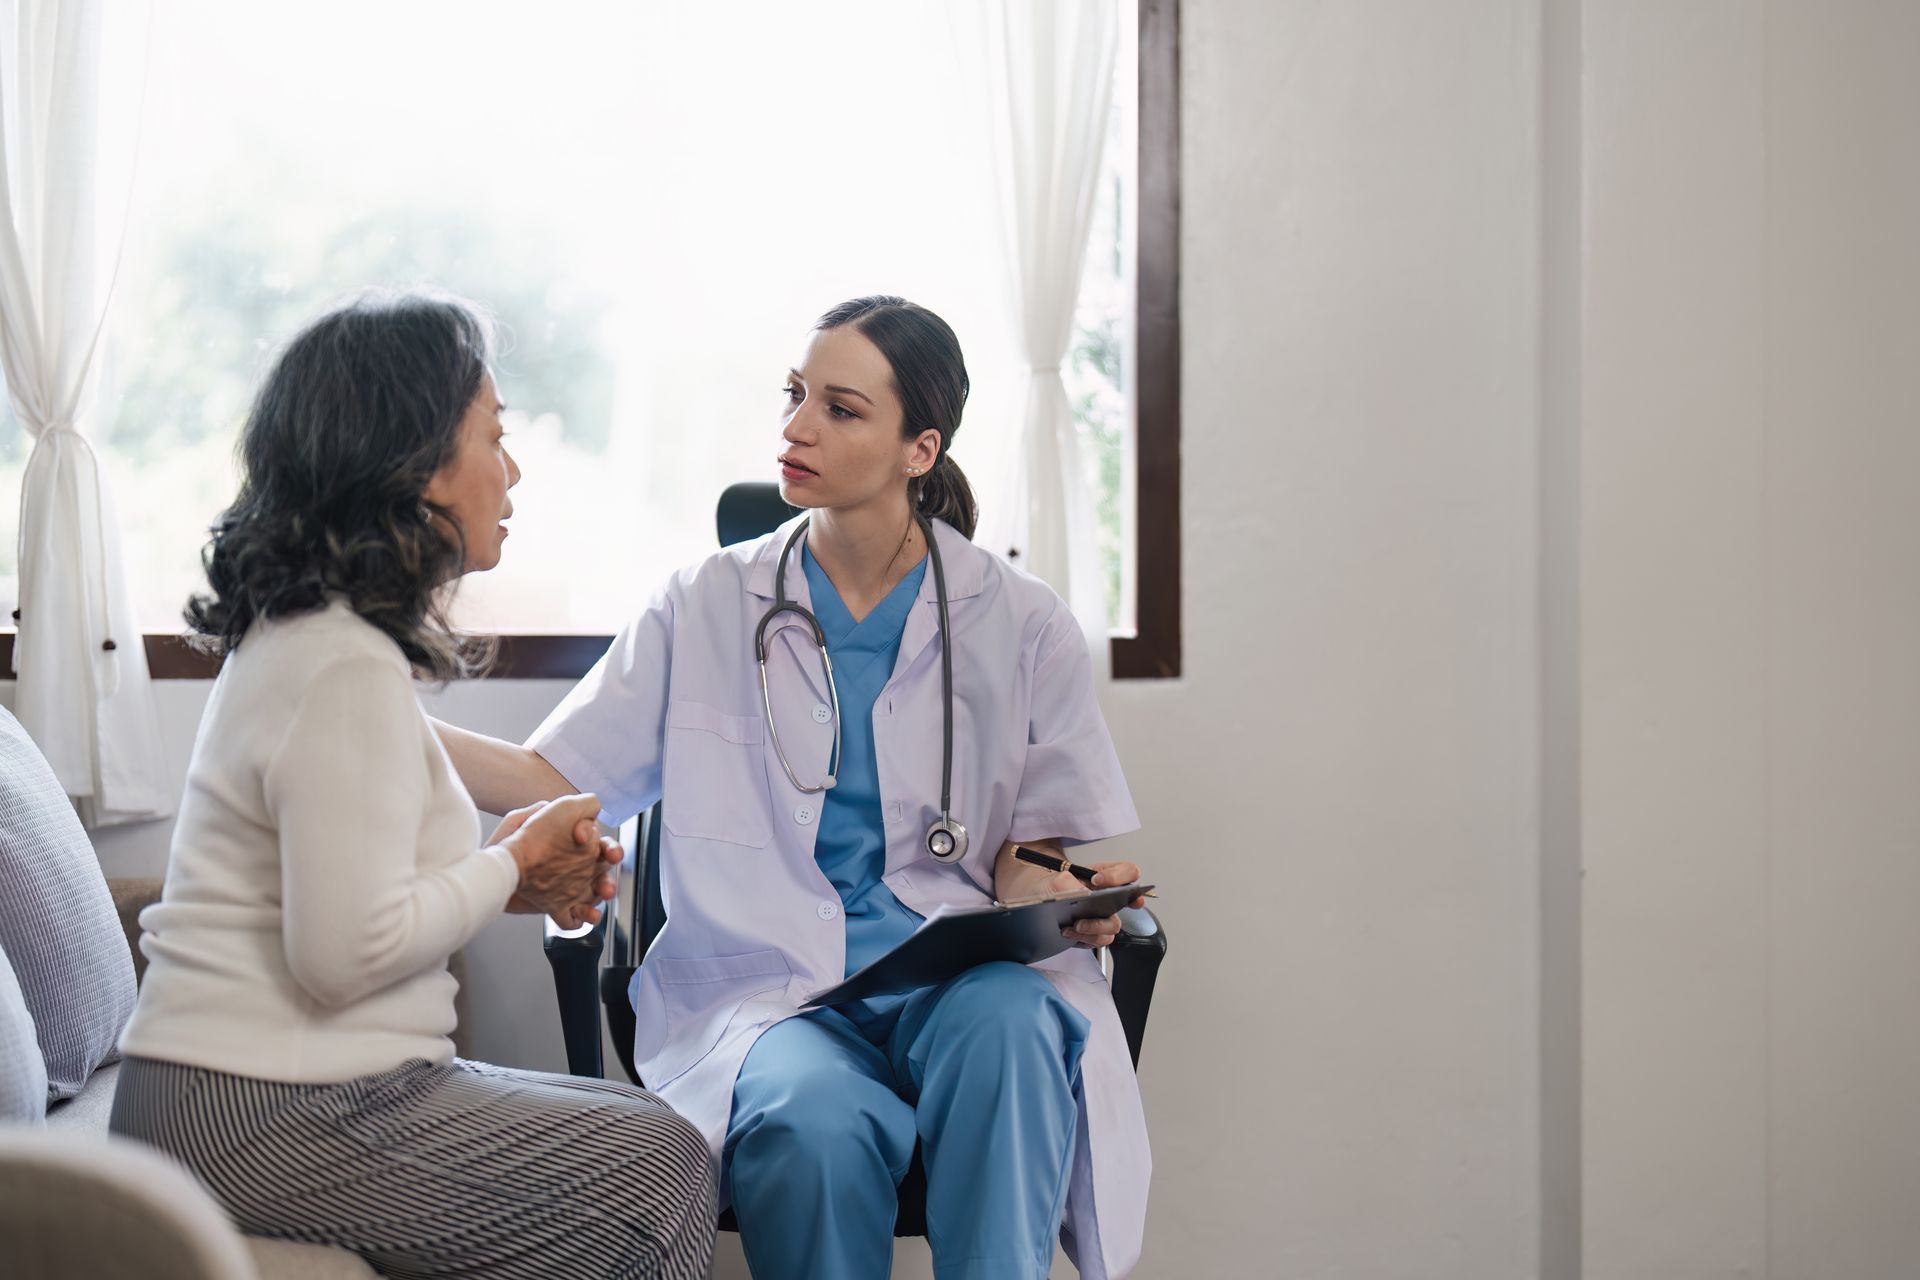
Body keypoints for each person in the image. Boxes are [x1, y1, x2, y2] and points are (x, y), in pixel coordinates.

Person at [437, 295, 1152, 1280]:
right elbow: (549, 777)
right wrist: (388, 712)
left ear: (920, 447)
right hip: (769, 993)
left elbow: (1029, 850)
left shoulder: (1021, 621)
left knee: (1016, 1026)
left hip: (953, 974)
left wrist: (1057, 893)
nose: (795, 427)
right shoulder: (705, 603)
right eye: (794, 395)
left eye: (841, 409)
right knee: (812, 1122)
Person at [110, 291, 717, 1280]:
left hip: (280, 1087)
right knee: (659, 1169)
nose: (512, 469)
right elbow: (342, 955)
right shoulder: (338, 665)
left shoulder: (321, 644)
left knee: (654, 1134)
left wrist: (509, 878)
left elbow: (363, 886)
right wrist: (506, 860)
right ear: (417, 464)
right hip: (256, 1108)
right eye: (495, 435)